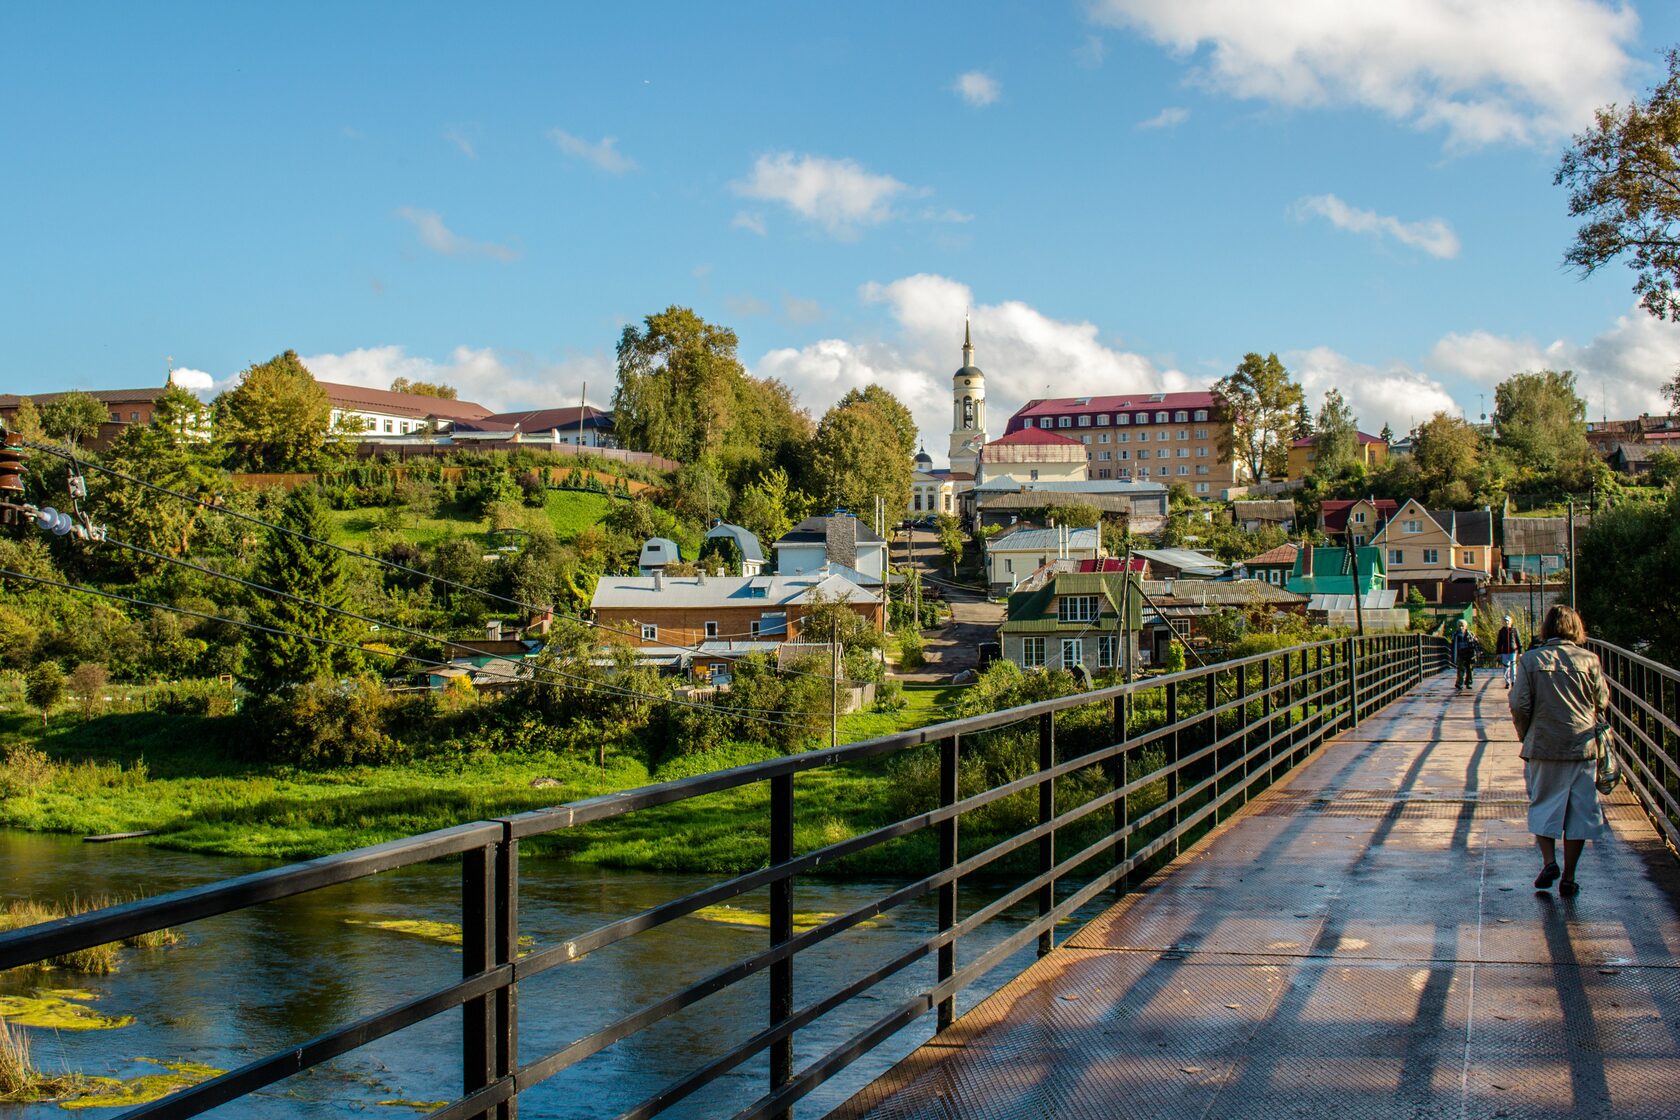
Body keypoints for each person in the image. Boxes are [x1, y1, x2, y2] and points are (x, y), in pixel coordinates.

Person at [1510, 604, 1610, 897]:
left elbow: (1520, 704)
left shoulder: (1530, 660)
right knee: (1580, 811)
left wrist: (1526, 735)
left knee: (1544, 804)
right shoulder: (1589, 660)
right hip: (1582, 745)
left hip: (1544, 743)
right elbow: (1601, 701)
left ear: (1546, 628)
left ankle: (1549, 861)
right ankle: (1569, 876)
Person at [1451, 619, 1479, 692]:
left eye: (1462, 626)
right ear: (1457, 627)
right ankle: (1459, 683)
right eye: (1459, 626)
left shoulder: (1470, 634)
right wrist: (1453, 655)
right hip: (1460, 653)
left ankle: (1468, 683)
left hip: (1469, 653)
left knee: (1469, 669)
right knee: (1460, 669)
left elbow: (1476, 643)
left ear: (1465, 626)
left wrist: (1477, 651)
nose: (1461, 628)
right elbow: (1452, 646)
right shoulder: (1455, 635)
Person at [1496, 614, 1522, 688]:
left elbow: (1518, 640)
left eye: (1507, 621)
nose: (1506, 622)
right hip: (1504, 651)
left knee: (1513, 667)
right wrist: (1498, 653)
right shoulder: (1501, 631)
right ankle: (1507, 682)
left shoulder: (1514, 630)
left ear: (1510, 621)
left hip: (1512, 651)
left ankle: (1513, 681)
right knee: (1506, 667)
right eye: (1505, 621)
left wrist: (1520, 651)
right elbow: (1499, 642)